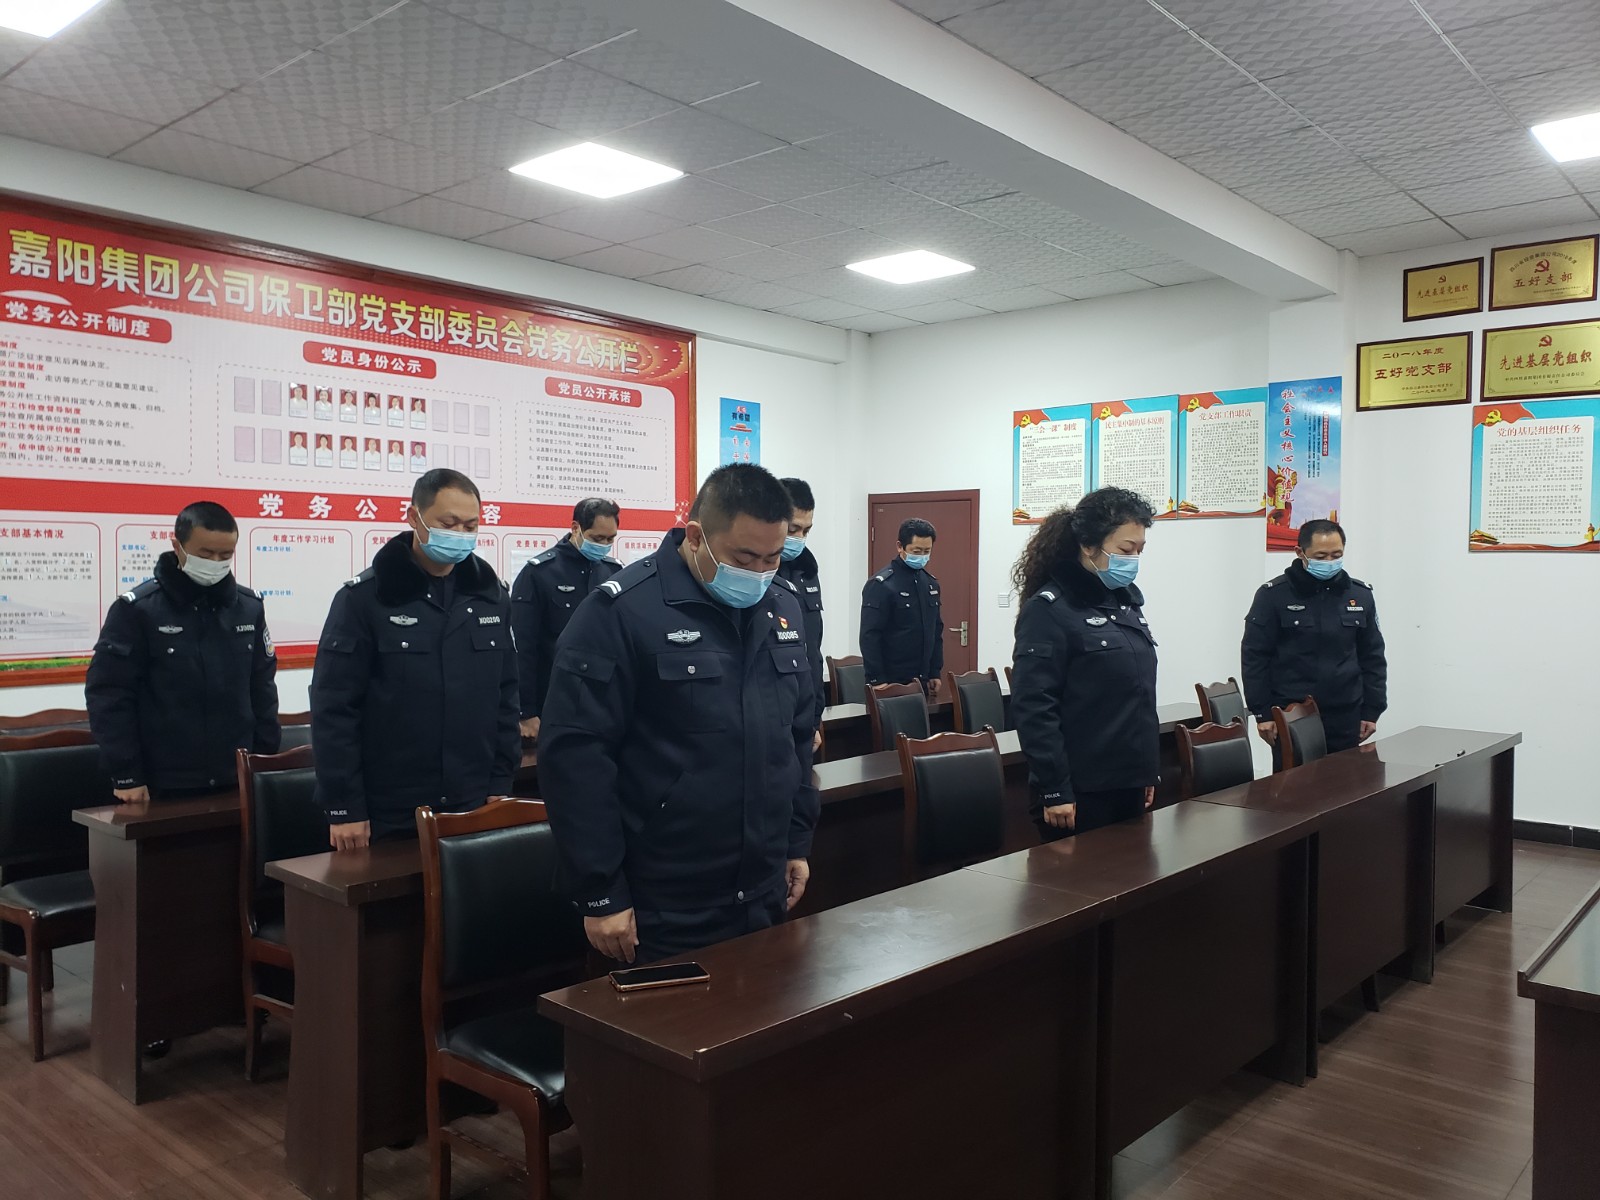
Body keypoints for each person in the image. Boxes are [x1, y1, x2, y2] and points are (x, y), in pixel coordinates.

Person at [539, 464, 818, 965]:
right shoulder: (621, 612)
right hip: (663, 900)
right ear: (695, 536)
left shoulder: (783, 608)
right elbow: (576, 759)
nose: (758, 573)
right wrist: (601, 891)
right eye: (744, 558)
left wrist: (796, 841)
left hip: (762, 885)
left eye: (772, 558)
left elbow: (795, 740)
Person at [309, 469, 519, 849]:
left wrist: (500, 782)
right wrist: (344, 807)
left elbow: (505, 697)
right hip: (389, 807)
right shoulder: (364, 599)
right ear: (413, 517)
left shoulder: (491, 597)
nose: (459, 534)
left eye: (470, 525)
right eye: (448, 524)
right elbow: (334, 709)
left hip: (472, 799)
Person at [86, 501, 279, 799]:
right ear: (177, 546)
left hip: (237, 776)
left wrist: (265, 762)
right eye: (206, 554)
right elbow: (109, 696)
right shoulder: (138, 610)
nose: (215, 562)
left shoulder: (248, 608)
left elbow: (262, 690)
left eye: (225, 555)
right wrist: (126, 774)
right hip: (163, 781)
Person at [1009, 488, 1159, 840]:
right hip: (1079, 791)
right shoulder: (1049, 609)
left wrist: (1146, 771)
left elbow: (1138, 695)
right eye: (1126, 550)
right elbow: (1034, 706)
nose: (1134, 559)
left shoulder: (1125, 605)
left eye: (1140, 550)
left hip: (1128, 782)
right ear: (1088, 545)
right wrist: (1054, 789)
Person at [1241, 518, 1387, 758]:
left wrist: (1372, 710)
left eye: (1336, 555)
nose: (1329, 562)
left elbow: (1373, 657)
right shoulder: (1273, 595)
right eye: (1321, 556)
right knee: (1295, 782)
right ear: (1300, 552)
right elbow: (1255, 658)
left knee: (1347, 780)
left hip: (1346, 715)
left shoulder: (1359, 595)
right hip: (1291, 715)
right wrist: (1262, 713)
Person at [510, 497, 623, 741]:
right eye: (597, 538)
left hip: (601, 702)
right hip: (552, 700)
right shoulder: (539, 573)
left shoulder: (614, 572)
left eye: (610, 539)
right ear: (575, 528)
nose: (604, 545)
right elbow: (522, 648)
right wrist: (525, 711)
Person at [859, 517, 943, 692]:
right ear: (900, 546)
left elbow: (935, 630)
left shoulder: (930, 584)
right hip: (890, 681)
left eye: (927, 551)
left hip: (922, 680)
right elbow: (869, 636)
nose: (921, 556)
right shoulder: (882, 585)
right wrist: (876, 679)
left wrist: (935, 672)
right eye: (916, 551)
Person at [776, 477, 826, 741]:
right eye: (793, 529)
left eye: (806, 531)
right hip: (774, 716)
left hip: (806, 715)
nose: (799, 538)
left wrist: (815, 717)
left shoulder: (808, 571)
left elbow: (813, 650)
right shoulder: (757, 573)